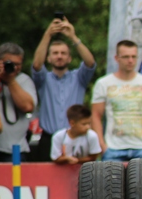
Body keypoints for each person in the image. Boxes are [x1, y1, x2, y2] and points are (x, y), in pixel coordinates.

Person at [31, 15, 97, 162]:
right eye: (55, 53)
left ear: (69, 58)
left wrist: (73, 37)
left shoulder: (79, 78)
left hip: (75, 137)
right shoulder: (43, 80)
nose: (59, 56)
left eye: (63, 53)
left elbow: (90, 63)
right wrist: (48, 35)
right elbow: (37, 65)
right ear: (49, 58)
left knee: (77, 176)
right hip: (49, 138)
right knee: (46, 176)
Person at [91, 40, 142, 162]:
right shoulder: (103, 83)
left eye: (134, 56)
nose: (130, 60)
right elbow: (96, 116)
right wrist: (102, 146)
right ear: (116, 58)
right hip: (113, 148)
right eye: (126, 57)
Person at [0, 43, 37, 162]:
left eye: (18, 64)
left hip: (15, 149)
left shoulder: (23, 80)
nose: (14, 67)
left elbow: (28, 107)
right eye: (10, 63)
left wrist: (10, 81)